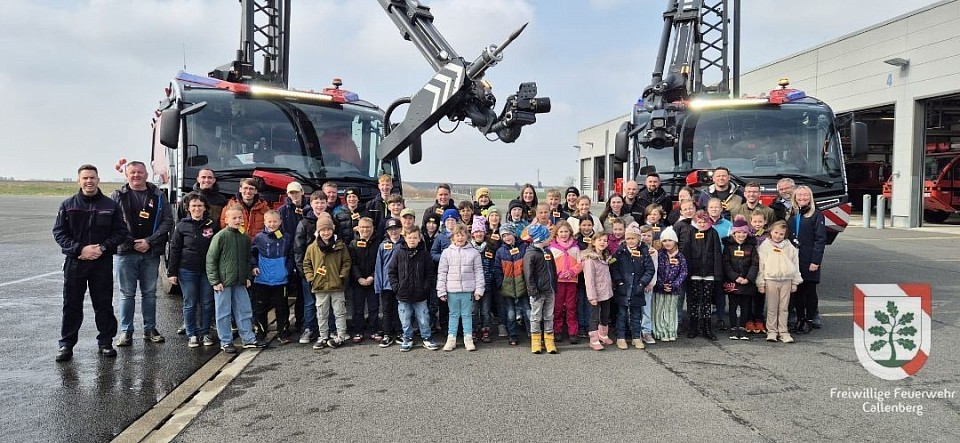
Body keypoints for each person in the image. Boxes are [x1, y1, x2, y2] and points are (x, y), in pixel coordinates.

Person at [53, 164, 129, 361]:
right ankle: (66, 345)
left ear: (98, 180)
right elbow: (59, 233)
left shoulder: (110, 205)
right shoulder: (68, 205)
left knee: (103, 304)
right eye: (85, 178)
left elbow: (121, 232)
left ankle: (105, 342)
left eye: (92, 178)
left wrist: (102, 248)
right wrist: (80, 249)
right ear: (79, 181)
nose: (89, 181)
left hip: (101, 263)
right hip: (75, 262)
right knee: (71, 304)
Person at [111, 160, 173, 347]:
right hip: (125, 253)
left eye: (140, 172)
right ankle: (126, 331)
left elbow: (167, 221)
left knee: (149, 293)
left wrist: (149, 241)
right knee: (127, 294)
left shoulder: (159, 195)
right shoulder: (117, 196)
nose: (136, 175)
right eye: (133, 172)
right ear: (126, 175)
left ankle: (150, 329)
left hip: (150, 252)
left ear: (146, 174)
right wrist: (132, 243)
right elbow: (112, 222)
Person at [206, 204, 268, 353]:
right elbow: (211, 259)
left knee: (244, 310)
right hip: (223, 282)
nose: (237, 220)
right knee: (223, 313)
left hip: (240, 281)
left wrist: (247, 276)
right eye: (234, 218)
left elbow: (247, 259)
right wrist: (215, 281)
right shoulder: (220, 237)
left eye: (240, 217)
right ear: (226, 220)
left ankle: (248, 339)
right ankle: (226, 341)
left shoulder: (244, 237)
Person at [167, 192, 218, 348]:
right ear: (188, 208)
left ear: (205, 207)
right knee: (190, 303)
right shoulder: (182, 226)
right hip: (187, 270)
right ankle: (192, 334)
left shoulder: (213, 225)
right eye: (193, 206)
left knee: (207, 303)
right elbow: (175, 249)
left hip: (208, 271)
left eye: (200, 205)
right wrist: (172, 272)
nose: (197, 208)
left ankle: (205, 332)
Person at [303, 214, 352, 349]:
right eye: (323, 230)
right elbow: (306, 264)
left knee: (340, 312)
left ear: (333, 230)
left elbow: (347, 262)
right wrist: (311, 278)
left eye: (328, 229)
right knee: (321, 313)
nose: (326, 233)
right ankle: (323, 336)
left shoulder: (340, 246)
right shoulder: (312, 247)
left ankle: (341, 335)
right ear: (318, 231)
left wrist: (342, 275)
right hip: (320, 286)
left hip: (337, 285)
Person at [388, 229, 439, 351]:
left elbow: (430, 273)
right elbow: (391, 271)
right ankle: (407, 338)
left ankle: (426, 338)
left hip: (420, 295)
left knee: (423, 318)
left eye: (415, 238)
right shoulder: (399, 253)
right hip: (403, 294)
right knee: (405, 319)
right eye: (410, 237)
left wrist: (425, 287)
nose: (412, 240)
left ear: (419, 239)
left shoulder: (424, 254)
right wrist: (396, 287)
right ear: (405, 238)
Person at [786, 185, 827, 334]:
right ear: (795, 198)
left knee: (809, 291)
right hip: (793, 258)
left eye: (805, 195)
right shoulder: (792, 213)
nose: (802, 198)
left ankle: (810, 319)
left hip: (809, 258)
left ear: (810, 198)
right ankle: (800, 319)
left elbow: (820, 239)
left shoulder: (816, 214)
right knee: (796, 290)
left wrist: (815, 261)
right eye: (799, 195)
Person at [437, 224, 485, 352]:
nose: (460, 238)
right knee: (453, 315)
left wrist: (479, 290)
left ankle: (468, 339)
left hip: (467, 291)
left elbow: (479, 272)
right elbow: (442, 273)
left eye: (462, 235)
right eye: (457, 235)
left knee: (467, 315)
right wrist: (441, 291)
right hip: (452, 291)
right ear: (453, 237)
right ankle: (451, 339)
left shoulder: (474, 253)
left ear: (467, 237)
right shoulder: (446, 253)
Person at [610, 222, 655, 349]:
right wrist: (619, 281)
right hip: (623, 288)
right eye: (628, 238)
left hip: (637, 289)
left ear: (638, 239)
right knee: (621, 314)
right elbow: (614, 267)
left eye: (633, 238)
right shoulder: (620, 252)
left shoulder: (644, 252)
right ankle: (621, 337)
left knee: (636, 315)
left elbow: (650, 270)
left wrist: (642, 283)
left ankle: (636, 337)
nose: (630, 241)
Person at [756, 220, 802, 343]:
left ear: (785, 234)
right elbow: (761, 266)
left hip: (786, 280)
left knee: (784, 308)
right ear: (771, 232)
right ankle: (771, 331)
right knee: (771, 307)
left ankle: (783, 331)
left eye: (781, 234)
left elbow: (795, 264)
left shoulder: (789, 247)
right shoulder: (764, 246)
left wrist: (795, 282)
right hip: (771, 280)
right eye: (776, 233)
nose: (778, 236)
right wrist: (761, 283)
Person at [251, 210, 293, 344]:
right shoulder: (259, 238)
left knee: (282, 308)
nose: (272, 224)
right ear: (264, 222)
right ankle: (261, 332)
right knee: (261, 308)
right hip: (262, 280)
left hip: (281, 280)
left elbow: (291, 256)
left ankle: (283, 332)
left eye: (275, 221)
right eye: (269, 221)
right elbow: (252, 254)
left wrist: (287, 270)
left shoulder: (286, 237)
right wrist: (254, 266)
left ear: (280, 222)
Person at [278, 181, 311, 334]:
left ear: (302, 192)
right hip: (287, 256)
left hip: (305, 255)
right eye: (291, 193)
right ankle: (284, 325)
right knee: (284, 293)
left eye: (296, 192)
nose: (294, 195)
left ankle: (301, 321)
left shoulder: (309, 209)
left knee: (303, 293)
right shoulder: (282, 211)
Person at [294, 191, 326, 344]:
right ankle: (309, 329)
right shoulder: (304, 223)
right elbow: (298, 249)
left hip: (328, 270)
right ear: (311, 204)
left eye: (322, 202)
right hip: (310, 270)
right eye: (316, 202)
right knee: (310, 302)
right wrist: (304, 272)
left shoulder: (332, 221)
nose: (319, 205)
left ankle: (328, 329)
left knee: (328, 302)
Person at [686, 211, 722, 341]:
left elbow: (717, 253)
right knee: (694, 300)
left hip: (709, 272)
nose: (702, 224)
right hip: (694, 272)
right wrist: (687, 272)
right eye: (699, 222)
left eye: (704, 222)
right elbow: (686, 251)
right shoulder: (691, 232)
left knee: (707, 301)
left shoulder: (713, 233)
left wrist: (717, 273)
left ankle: (707, 328)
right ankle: (693, 327)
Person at [722, 216, 759, 340]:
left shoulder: (751, 246)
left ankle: (742, 327)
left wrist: (748, 278)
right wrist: (735, 277)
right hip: (733, 281)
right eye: (738, 232)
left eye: (744, 232)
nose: (741, 235)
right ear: (734, 233)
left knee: (745, 306)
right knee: (733, 305)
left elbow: (755, 264)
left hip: (747, 281)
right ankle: (733, 327)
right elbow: (726, 263)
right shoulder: (729, 246)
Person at [523, 224, 558, 354]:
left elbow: (553, 270)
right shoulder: (530, 254)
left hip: (550, 290)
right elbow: (528, 275)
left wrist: (554, 286)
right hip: (537, 292)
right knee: (536, 317)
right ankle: (536, 340)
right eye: (548, 237)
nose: (550, 239)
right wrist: (533, 291)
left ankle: (549, 340)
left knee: (549, 316)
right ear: (541, 238)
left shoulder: (548, 252)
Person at [493, 222, 528, 346]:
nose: (507, 237)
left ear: (514, 234)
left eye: (509, 234)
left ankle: (532, 333)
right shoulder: (500, 251)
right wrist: (500, 283)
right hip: (507, 286)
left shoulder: (524, 248)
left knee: (527, 311)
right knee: (510, 313)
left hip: (522, 285)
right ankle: (513, 335)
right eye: (504, 236)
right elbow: (497, 269)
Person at [548, 220, 582, 344]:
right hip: (558, 282)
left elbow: (580, 263)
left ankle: (573, 332)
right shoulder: (552, 248)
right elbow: (549, 264)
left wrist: (572, 272)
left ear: (570, 232)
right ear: (556, 233)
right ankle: (557, 331)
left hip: (571, 281)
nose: (564, 234)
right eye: (561, 232)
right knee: (557, 307)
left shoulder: (575, 248)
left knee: (571, 307)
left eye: (566, 231)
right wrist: (557, 273)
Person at [374, 218, 404, 347]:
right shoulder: (382, 245)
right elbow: (378, 266)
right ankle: (387, 334)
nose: (393, 231)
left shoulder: (404, 244)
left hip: (401, 284)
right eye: (391, 229)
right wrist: (378, 285)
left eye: (396, 229)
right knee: (386, 310)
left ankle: (400, 332)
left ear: (400, 229)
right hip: (386, 284)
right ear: (387, 231)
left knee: (400, 310)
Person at [653, 227, 687, 342]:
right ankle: (660, 332)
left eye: (670, 240)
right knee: (659, 310)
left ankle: (671, 331)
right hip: (660, 288)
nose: (667, 243)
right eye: (664, 241)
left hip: (674, 290)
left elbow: (683, 272)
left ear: (675, 241)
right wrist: (661, 284)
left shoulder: (680, 256)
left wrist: (674, 285)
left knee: (671, 310)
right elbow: (655, 270)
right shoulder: (659, 254)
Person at [582, 232, 614, 351]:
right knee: (594, 317)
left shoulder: (606, 257)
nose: (602, 242)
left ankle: (603, 335)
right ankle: (594, 340)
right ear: (593, 242)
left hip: (607, 292)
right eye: (599, 240)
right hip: (595, 294)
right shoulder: (590, 260)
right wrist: (592, 297)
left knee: (605, 314)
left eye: (605, 240)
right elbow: (589, 280)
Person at [348, 217, 378, 343]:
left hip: (373, 280)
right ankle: (358, 331)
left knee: (374, 307)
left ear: (373, 228)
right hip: (358, 282)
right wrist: (359, 278)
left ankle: (374, 330)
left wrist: (372, 276)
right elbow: (352, 263)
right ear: (358, 228)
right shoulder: (353, 244)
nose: (365, 230)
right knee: (358, 308)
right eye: (362, 227)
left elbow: (379, 263)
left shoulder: (378, 243)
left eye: (368, 227)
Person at [469, 216, 496, 343]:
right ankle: (474, 330)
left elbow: (494, 265)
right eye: (476, 232)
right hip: (472, 286)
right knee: (474, 311)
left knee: (485, 311)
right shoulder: (468, 248)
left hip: (487, 285)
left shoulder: (490, 247)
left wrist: (490, 278)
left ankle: (486, 330)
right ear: (472, 234)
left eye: (481, 231)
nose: (478, 234)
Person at [638, 225, 660, 345]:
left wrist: (651, 283)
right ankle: (636, 331)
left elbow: (654, 269)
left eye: (648, 235)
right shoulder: (635, 250)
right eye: (643, 235)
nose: (646, 237)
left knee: (646, 309)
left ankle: (646, 331)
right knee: (635, 309)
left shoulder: (653, 252)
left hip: (647, 285)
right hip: (636, 284)